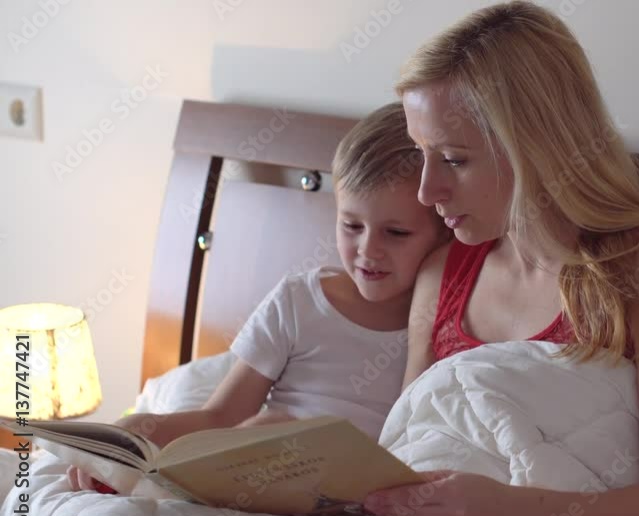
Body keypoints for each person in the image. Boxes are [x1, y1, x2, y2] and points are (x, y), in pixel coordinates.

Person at [360, 3, 639, 516]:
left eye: (453, 159)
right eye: (421, 155)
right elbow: (409, 448)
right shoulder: (443, 274)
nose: (426, 190)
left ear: (536, 146)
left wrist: (506, 515)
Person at [68, 102, 450, 492]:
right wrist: (135, 429)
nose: (368, 249)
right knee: (264, 428)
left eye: (396, 233)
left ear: (443, 232)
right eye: (351, 225)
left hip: (360, 488)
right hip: (269, 474)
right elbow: (220, 417)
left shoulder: (447, 326)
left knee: (275, 430)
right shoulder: (299, 301)